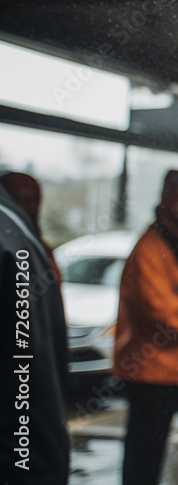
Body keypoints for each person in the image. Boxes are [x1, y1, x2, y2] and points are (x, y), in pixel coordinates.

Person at [114, 170, 178, 485]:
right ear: (165, 200)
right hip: (153, 374)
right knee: (144, 460)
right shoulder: (149, 249)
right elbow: (162, 315)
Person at [1, 184, 69, 485]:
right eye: (20, 199)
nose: (27, 206)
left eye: (32, 200)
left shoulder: (24, 245)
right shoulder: (22, 241)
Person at [1, 171, 61, 286]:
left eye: (29, 200)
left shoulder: (42, 249)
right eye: (15, 199)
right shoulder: (5, 247)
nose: (23, 206)